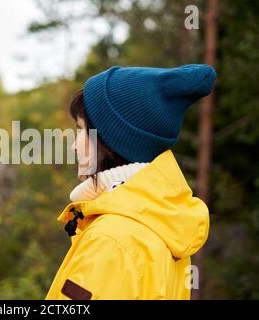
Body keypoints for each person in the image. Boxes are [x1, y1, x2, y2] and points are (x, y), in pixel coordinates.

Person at [45, 64, 217, 300]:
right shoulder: (162, 225)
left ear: (111, 143)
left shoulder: (111, 242)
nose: (75, 145)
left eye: (82, 130)